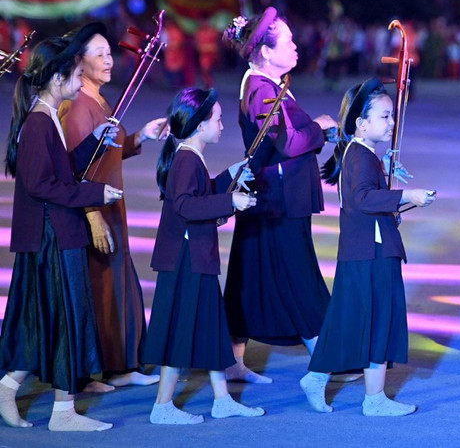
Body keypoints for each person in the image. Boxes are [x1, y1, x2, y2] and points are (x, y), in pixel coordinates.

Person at [0, 33, 123, 431]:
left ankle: (8, 389)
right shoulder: (39, 121)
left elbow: (60, 170)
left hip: (55, 233)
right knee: (65, 320)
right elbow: (42, 185)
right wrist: (95, 193)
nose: (80, 78)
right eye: (75, 73)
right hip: (52, 236)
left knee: (45, 321)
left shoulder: (46, 115)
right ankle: (63, 413)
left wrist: (94, 143)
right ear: (56, 78)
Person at [300, 78, 435, 416]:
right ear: (361, 123)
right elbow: (362, 198)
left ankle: (322, 379)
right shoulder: (360, 155)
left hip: (363, 249)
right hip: (369, 253)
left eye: (391, 116)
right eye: (385, 116)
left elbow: (364, 200)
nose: (391, 123)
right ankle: (371, 398)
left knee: (354, 318)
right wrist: (407, 195)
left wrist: (391, 198)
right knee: (376, 319)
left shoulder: (360, 154)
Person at [222, 8, 338, 383]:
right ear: (266, 51)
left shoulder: (269, 84)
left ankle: (232, 361)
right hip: (277, 199)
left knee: (248, 276)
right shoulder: (261, 89)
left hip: (271, 196)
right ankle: (328, 358)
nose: (295, 46)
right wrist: (319, 127)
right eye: (287, 40)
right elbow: (287, 143)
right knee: (300, 278)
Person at [143, 87, 264, 424]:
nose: (222, 125)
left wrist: (229, 177)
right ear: (199, 125)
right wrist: (231, 201)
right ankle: (162, 406)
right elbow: (185, 205)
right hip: (187, 258)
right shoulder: (186, 159)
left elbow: (199, 192)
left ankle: (222, 399)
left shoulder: (189, 156)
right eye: (218, 120)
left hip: (196, 255)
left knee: (211, 325)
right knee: (181, 329)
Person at [59, 22, 166, 390]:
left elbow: (107, 154)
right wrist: (92, 217)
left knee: (117, 284)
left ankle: (120, 364)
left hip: (110, 205)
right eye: (100, 54)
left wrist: (141, 137)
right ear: (79, 61)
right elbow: (75, 170)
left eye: (109, 53)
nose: (109, 60)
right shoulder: (78, 106)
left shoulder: (101, 101)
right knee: (101, 288)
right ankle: (98, 368)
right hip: (94, 210)